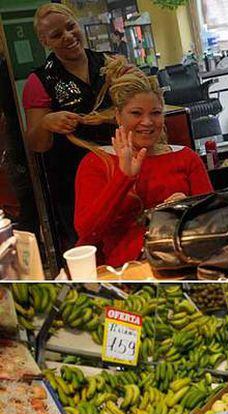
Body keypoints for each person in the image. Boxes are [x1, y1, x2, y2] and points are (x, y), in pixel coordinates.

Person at [74, 58, 213, 268]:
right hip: (126, 270)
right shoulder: (97, 162)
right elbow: (87, 232)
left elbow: (213, 221)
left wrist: (186, 209)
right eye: (136, 113)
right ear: (118, 116)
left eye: (155, 113)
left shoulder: (186, 158)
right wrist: (124, 177)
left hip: (184, 262)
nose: (147, 122)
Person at [23, 3, 116, 250]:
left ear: (78, 24)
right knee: (90, 245)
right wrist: (46, 122)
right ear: (45, 41)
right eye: (56, 35)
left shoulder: (110, 64)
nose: (68, 36)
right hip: (73, 184)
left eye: (70, 27)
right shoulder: (40, 80)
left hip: (120, 171)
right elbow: (37, 144)